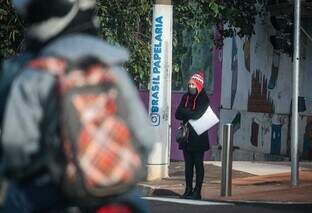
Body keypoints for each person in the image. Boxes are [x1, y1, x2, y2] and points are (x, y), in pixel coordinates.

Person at [0, 0, 152, 212]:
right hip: (115, 193)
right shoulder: (112, 69)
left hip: (51, 192)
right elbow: (146, 138)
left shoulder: (31, 73)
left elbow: (18, 147)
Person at [175, 71, 210, 200]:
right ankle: (188, 189)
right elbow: (177, 114)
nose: (190, 87)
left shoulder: (204, 98)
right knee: (188, 164)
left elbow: (197, 115)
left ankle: (197, 191)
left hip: (199, 136)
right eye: (189, 85)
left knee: (198, 164)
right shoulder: (185, 97)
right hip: (186, 136)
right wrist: (189, 112)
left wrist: (186, 112)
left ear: (199, 85)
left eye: (193, 85)